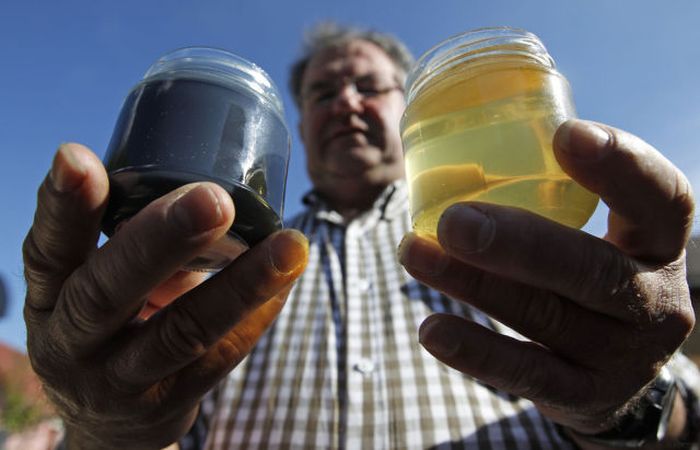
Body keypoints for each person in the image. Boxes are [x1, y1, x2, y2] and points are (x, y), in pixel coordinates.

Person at [22, 22, 700, 449]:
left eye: (369, 87)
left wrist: (632, 407)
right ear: (297, 130)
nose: (346, 101)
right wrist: (106, 432)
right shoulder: (221, 265)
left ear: (413, 116)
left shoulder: (536, 234)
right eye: (323, 93)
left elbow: (685, 422)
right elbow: (151, 422)